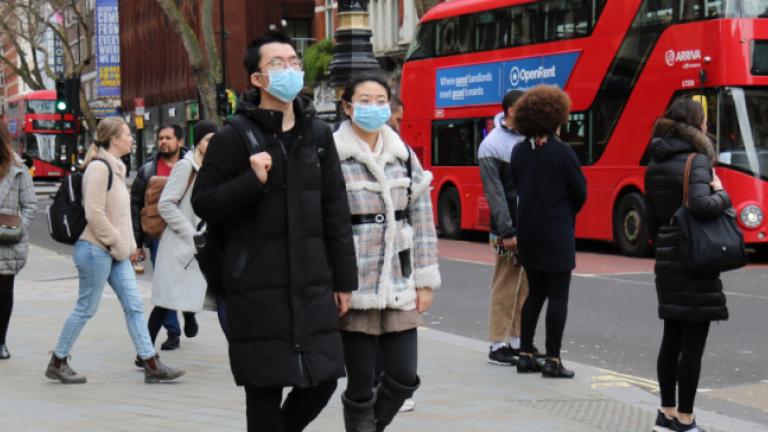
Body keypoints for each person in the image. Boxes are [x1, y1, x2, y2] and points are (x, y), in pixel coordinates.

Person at [191, 31, 357, 432]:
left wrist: (345, 281)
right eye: (278, 64)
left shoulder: (317, 135)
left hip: (312, 280)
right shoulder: (234, 137)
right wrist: (252, 180)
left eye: (294, 62)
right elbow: (204, 202)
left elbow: (335, 207)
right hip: (255, 283)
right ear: (257, 80)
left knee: (324, 379)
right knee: (263, 391)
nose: (291, 69)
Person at [334, 75, 440, 432]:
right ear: (347, 106)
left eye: (381, 99)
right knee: (361, 383)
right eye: (365, 99)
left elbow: (422, 220)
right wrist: (336, 281)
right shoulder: (332, 154)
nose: (374, 106)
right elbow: (324, 225)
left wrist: (425, 279)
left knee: (404, 375)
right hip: (355, 283)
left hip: (398, 279)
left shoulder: (403, 154)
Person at [45, 117, 184, 384]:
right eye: (127, 134)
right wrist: (119, 244)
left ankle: (151, 363)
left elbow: (120, 216)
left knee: (134, 306)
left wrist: (129, 247)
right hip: (96, 250)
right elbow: (94, 214)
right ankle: (58, 360)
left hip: (115, 252)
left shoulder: (115, 168)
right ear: (114, 139)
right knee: (86, 307)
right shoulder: (99, 168)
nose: (131, 138)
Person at [644, 98, 730, 432]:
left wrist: (663, 247)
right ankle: (686, 418)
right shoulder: (696, 161)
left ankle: (665, 414)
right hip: (694, 257)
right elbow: (700, 204)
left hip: (667, 256)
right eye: (704, 121)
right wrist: (723, 195)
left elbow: (652, 217)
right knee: (693, 343)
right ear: (696, 125)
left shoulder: (654, 162)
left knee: (671, 337)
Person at [509, 85, 586, 379]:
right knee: (558, 296)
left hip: (528, 230)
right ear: (556, 117)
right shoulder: (563, 152)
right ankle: (553, 359)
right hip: (556, 231)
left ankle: (526, 355)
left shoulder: (518, 152)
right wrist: (565, 212)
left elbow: (518, 186)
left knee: (534, 294)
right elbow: (580, 192)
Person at [142, 120, 221, 365]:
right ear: (198, 142)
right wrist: (190, 232)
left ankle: (190, 316)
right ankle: (143, 350)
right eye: (208, 139)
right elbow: (166, 204)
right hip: (180, 243)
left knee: (193, 293)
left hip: (201, 245)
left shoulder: (214, 167)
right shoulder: (186, 167)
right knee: (166, 301)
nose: (214, 144)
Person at [478, 90, 532, 366]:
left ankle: (516, 340)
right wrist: (507, 231)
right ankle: (497, 343)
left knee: (523, 286)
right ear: (512, 111)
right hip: (506, 228)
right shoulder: (492, 145)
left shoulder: (526, 137)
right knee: (505, 283)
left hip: (527, 224)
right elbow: (495, 194)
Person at [130, 123, 192, 351]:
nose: (164, 142)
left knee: (189, 278)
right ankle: (173, 331)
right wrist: (137, 242)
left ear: (180, 142)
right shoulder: (148, 170)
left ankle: (190, 312)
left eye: (168, 138)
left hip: (186, 233)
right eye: (161, 138)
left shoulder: (192, 166)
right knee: (166, 283)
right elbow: (135, 206)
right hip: (159, 235)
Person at [0, 120, 37, 360]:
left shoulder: (18, 168)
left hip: (6, 241)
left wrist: (17, 228)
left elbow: (30, 204)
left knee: (3, 293)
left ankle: (0, 341)